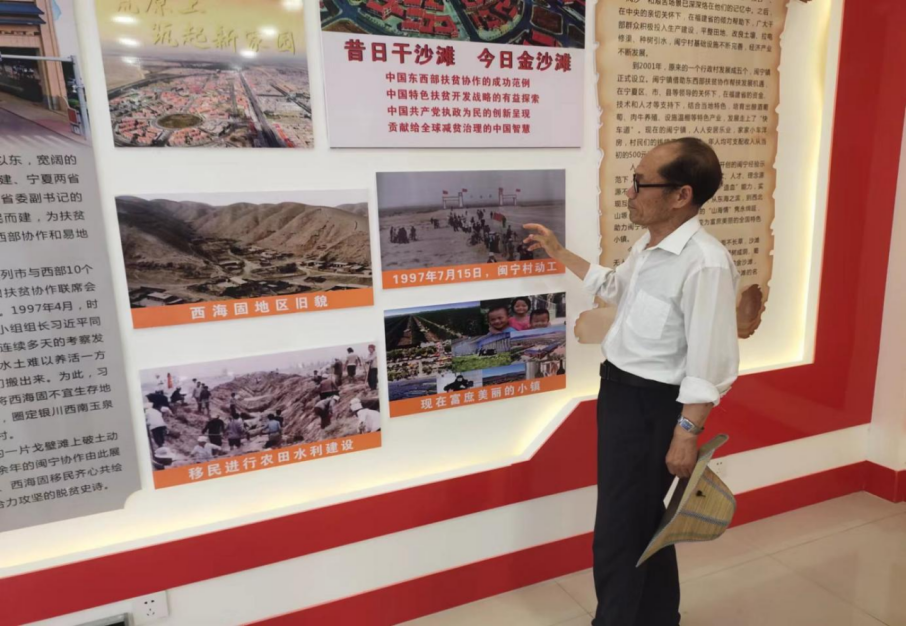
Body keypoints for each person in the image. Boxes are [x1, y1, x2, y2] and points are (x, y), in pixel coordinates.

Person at [523, 137, 739, 626]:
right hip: (621, 394)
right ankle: (659, 616)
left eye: (641, 183)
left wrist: (686, 432)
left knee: (619, 531)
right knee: (642, 520)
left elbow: (711, 362)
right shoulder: (650, 245)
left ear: (681, 195)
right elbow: (615, 287)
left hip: (653, 407)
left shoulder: (704, 263)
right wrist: (560, 252)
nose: (630, 192)